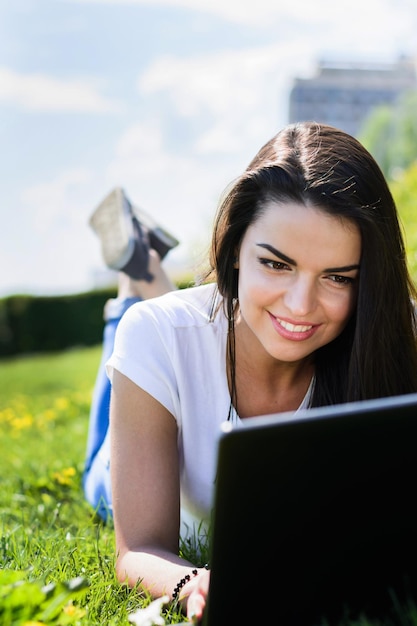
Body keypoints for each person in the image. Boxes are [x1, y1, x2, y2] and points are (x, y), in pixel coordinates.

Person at [83, 122, 417, 622]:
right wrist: (199, 584)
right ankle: (139, 275)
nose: (301, 306)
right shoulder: (158, 336)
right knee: (105, 463)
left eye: (338, 277)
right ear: (235, 248)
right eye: (277, 265)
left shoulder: (396, 330)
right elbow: (138, 551)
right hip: (139, 434)